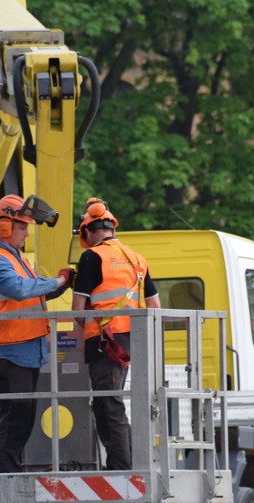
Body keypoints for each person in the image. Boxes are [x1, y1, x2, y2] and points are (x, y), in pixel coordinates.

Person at [0, 194, 75, 473]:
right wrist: (57, 280)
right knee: (14, 416)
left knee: (23, 414)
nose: (27, 232)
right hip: (10, 350)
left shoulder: (14, 258)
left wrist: (62, 284)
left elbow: (33, 290)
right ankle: (5, 471)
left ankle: (11, 467)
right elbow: (20, 289)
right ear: (5, 227)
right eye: (22, 227)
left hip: (25, 350)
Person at [71, 198, 160, 470]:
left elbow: (78, 310)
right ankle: (123, 462)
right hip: (129, 341)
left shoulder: (91, 257)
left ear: (87, 231)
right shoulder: (136, 258)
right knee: (107, 403)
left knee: (108, 404)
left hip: (103, 341)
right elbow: (154, 307)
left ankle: (121, 467)